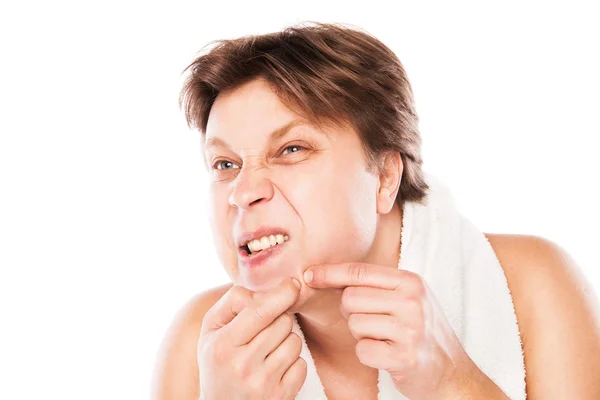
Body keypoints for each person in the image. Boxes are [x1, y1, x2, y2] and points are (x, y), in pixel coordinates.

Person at [152, 22, 600, 399]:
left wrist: (451, 381)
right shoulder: (201, 346)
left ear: (385, 178)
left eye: (291, 149)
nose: (242, 191)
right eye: (225, 164)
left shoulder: (531, 285)